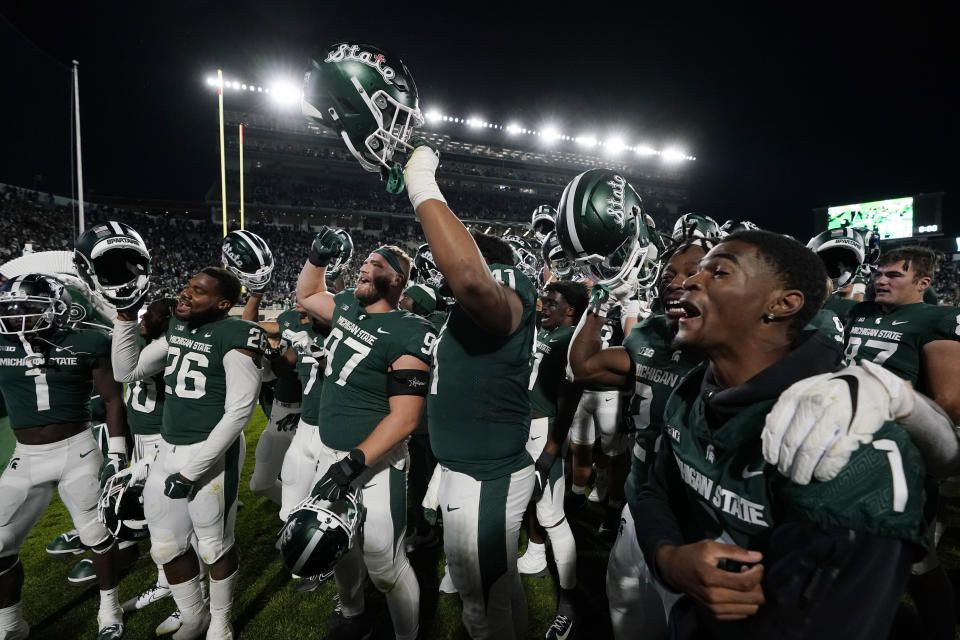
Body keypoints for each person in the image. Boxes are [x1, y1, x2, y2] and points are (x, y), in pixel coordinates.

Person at [633, 230, 929, 638]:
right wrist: (669, 559)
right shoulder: (693, 389)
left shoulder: (849, 442)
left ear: (782, 303)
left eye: (717, 272)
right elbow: (655, 491)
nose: (689, 282)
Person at [404, 141, 538, 640]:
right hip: (468, 469)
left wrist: (421, 183)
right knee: (495, 593)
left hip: (487, 477)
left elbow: (471, 281)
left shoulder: (504, 282)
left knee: (480, 606)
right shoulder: (458, 315)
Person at [568, 239, 712, 638]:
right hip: (640, 498)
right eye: (669, 275)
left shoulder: (727, 350)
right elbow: (582, 367)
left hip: (694, 518)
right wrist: (600, 302)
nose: (675, 282)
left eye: (692, 271)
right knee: (627, 607)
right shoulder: (650, 334)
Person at [112, 267, 266, 640]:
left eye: (198, 291)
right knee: (165, 545)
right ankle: (192, 616)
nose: (185, 294)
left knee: (214, 545)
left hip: (213, 454)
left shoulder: (237, 334)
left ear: (223, 304)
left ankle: (220, 622)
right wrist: (123, 318)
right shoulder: (179, 329)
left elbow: (239, 413)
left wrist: (190, 472)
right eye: (187, 287)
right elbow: (126, 371)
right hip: (169, 446)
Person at [297, 233, 434, 640]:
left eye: (376, 265)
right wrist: (317, 256)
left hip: (375, 464)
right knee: (340, 548)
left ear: (397, 281)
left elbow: (406, 417)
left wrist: (356, 461)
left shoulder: (411, 332)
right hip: (328, 451)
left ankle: (407, 635)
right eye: (364, 261)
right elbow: (308, 294)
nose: (363, 267)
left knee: (385, 565)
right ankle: (353, 611)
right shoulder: (344, 307)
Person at [0, 273, 129, 640]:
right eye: (10, 310)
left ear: (58, 309)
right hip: (26, 455)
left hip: (77, 449)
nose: (18, 316)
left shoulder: (88, 339)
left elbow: (111, 399)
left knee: (95, 533)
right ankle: (10, 625)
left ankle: (110, 609)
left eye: (28, 308)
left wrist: (117, 454)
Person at [841, 246, 960, 640]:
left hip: (898, 454)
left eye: (894, 275)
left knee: (916, 561)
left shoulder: (937, 318)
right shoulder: (860, 311)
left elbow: (950, 401)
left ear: (923, 284)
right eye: (879, 272)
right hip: (844, 445)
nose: (881, 279)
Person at [520, 279, 588, 639]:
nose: (543, 306)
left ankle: (568, 602)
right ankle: (534, 552)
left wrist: (550, 451)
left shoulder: (572, 341)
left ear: (571, 311)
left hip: (543, 429)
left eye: (552, 301)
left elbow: (568, 403)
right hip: (523, 424)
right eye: (544, 300)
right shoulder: (547, 333)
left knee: (552, 514)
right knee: (530, 499)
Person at [242, 291, 305, 505]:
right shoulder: (290, 319)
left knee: (302, 479)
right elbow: (249, 326)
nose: (300, 297)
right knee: (260, 483)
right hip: (282, 410)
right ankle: (297, 510)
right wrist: (256, 293)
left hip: (313, 416)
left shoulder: (332, 328)